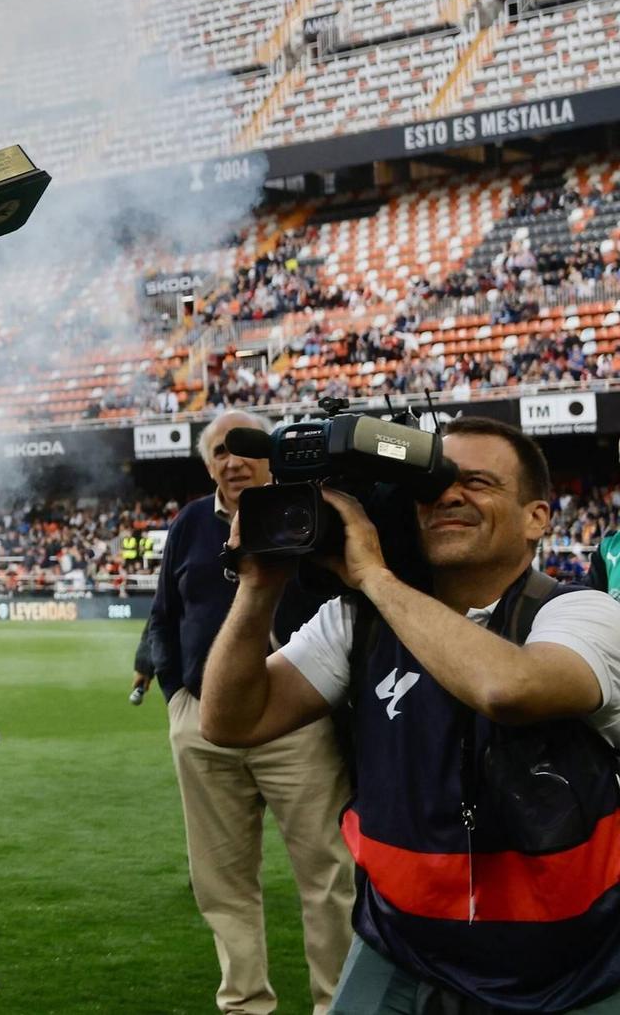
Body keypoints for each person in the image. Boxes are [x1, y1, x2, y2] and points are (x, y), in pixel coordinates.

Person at [202, 417, 620, 1013]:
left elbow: (510, 688)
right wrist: (258, 584)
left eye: (478, 482)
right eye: (433, 487)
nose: (448, 495)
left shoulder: (584, 613)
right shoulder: (360, 621)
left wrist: (374, 575)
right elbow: (232, 721)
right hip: (400, 945)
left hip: (573, 966)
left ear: (537, 518)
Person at [148, 410, 354, 1015]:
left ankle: (335, 1005)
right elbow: (163, 615)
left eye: (244, 450)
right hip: (203, 727)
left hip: (297, 723)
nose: (232, 462)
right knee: (221, 882)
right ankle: (244, 1005)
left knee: (327, 876)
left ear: (271, 457)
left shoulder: (309, 512)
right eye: (219, 453)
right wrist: (177, 697)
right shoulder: (189, 524)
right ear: (207, 464)